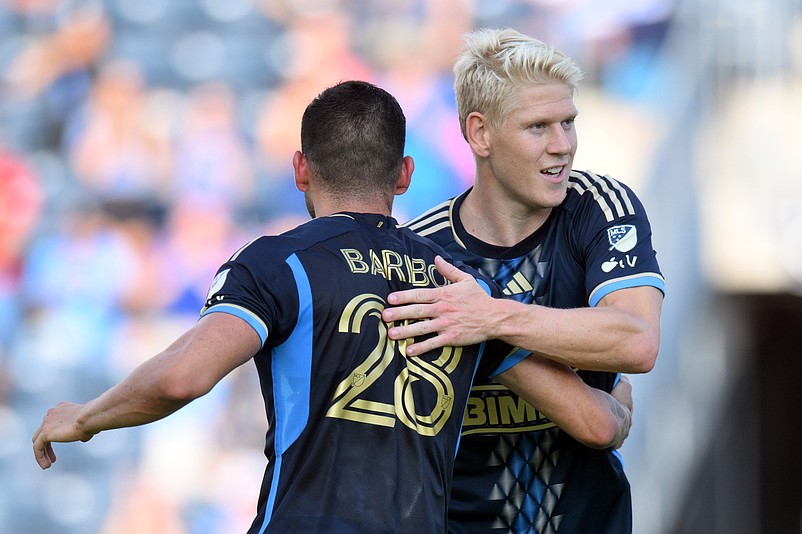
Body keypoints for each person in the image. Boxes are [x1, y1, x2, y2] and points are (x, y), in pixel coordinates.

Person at [32, 80, 634, 534]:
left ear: (300, 169)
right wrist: (619, 395)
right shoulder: (458, 290)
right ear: (403, 175)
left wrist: (84, 417)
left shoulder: (279, 263)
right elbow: (597, 426)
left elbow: (185, 376)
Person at [381, 29, 666, 533]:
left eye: (569, 123)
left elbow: (638, 342)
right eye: (538, 127)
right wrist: (602, 414)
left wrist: (491, 317)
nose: (563, 146)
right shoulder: (420, 252)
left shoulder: (600, 208)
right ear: (480, 134)